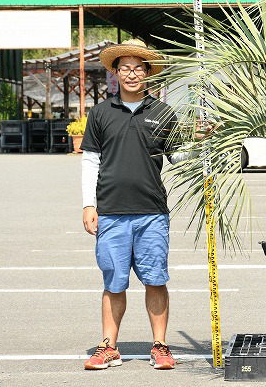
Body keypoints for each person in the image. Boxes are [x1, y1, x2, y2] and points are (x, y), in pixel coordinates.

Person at [80, 39, 179, 370]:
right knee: (113, 281)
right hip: (110, 212)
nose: (132, 73)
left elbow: (179, 157)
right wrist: (88, 204)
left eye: (138, 67)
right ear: (115, 73)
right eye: (125, 68)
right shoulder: (101, 112)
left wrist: (201, 142)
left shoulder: (163, 112)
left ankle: (160, 346)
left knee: (155, 279)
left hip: (152, 213)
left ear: (148, 72)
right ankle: (108, 346)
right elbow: (90, 162)